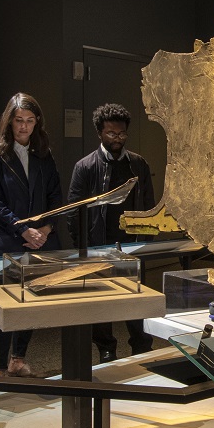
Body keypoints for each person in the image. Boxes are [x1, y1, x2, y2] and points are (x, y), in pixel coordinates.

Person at [0, 92, 63, 377]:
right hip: (8, 241)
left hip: (40, 239)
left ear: (36, 122)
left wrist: (46, 228)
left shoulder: (43, 152)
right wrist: (22, 230)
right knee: (8, 303)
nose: (24, 127)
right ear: (9, 121)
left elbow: (55, 195)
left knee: (31, 300)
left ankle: (18, 358)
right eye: (18, 121)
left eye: (29, 121)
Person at [67, 103, 157, 363]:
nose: (117, 139)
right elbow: (74, 211)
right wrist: (83, 248)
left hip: (130, 245)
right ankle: (106, 348)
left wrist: (146, 243)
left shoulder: (138, 164)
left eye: (121, 134)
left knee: (135, 300)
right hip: (98, 245)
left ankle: (142, 346)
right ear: (100, 133)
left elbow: (149, 205)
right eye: (111, 134)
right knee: (102, 300)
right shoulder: (84, 167)